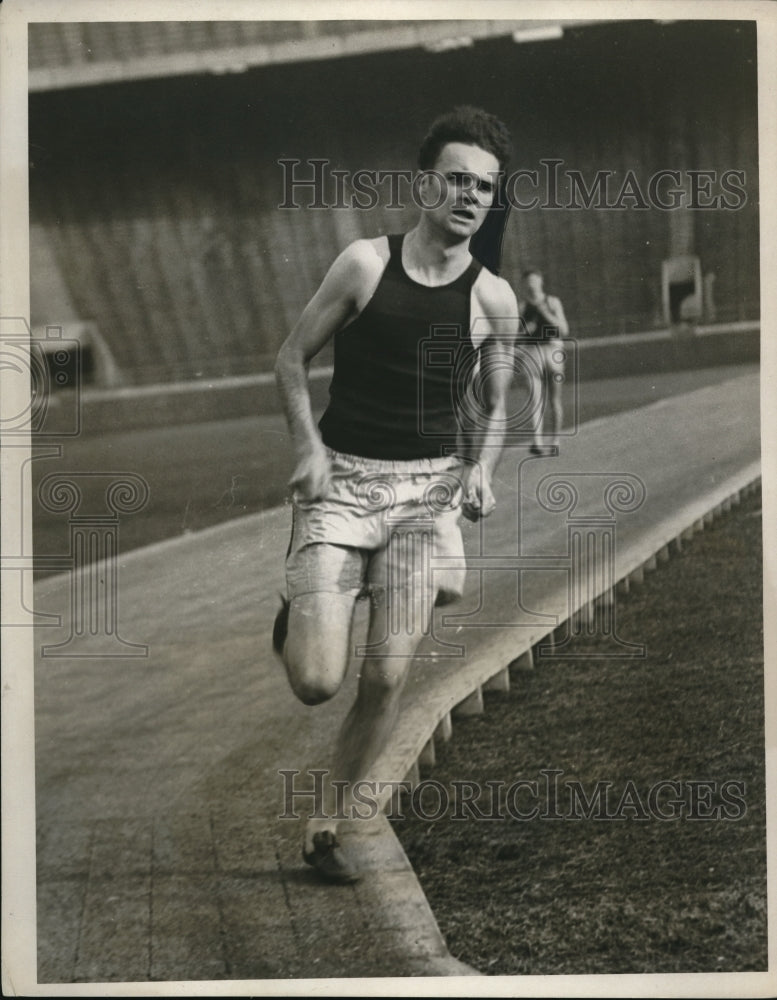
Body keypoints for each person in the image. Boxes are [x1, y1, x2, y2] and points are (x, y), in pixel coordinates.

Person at [273, 106, 518, 883]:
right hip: (340, 486)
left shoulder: (494, 301)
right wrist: (307, 449)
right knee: (317, 681)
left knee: (385, 674)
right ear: (424, 185)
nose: (468, 197)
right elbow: (288, 360)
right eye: (454, 180)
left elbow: (493, 403)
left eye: (483, 187)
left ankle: (329, 823)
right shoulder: (362, 265)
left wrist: (481, 469)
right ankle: (301, 605)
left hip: (423, 498)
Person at [517, 268, 569, 455]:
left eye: (534, 281)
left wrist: (544, 313)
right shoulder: (522, 307)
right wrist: (526, 330)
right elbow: (514, 335)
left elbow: (563, 329)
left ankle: (555, 440)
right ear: (524, 285)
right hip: (532, 352)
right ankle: (537, 442)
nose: (531, 286)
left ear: (540, 282)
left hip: (553, 349)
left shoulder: (552, 302)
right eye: (527, 283)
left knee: (555, 400)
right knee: (535, 400)